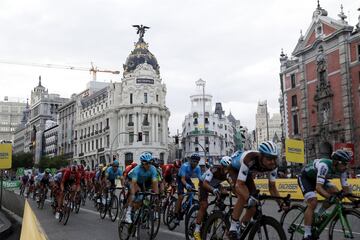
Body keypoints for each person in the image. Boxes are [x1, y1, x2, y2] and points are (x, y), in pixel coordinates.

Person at [229, 141, 287, 239]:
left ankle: (242, 227)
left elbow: (272, 187)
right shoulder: (250, 159)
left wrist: (281, 203)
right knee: (244, 196)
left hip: (248, 173)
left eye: (274, 158)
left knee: (253, 207)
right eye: (269, 158)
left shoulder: (273, 165)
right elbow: (239, 185)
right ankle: (233, 227)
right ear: (261, 156)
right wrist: (248, 198)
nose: (272, 162)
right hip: (234, 169)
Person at [298, 149, 354, 240]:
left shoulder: (342, 170)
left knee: (335, 191)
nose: (346, 166)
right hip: (306, 178)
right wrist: (330, 197)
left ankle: (319, 214)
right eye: (344, 164)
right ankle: (307, 233)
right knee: (313, 202)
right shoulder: (324, 166)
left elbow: (346, 190)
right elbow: (318, 188)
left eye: (347, 164)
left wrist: (355, 201)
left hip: (318, 178)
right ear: (336, 162)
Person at [193, 156, 233, 240]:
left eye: (228, 168)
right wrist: (213, 190)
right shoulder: (214, 170)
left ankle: (216, 215)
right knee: (204, 205)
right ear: (221, 166)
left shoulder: (228, 172)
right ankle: (196, 231)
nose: (226, 170)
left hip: (214, 185)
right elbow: (205, 184)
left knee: (224, 193)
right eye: (225, 168)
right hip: (204, 185)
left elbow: (232, 185)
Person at [124, 152, 159, 224]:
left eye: (150, 163)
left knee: (142, 197)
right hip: (131, 180)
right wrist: (136, 190)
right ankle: (128, 213)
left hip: (141, 181)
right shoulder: (137, 169)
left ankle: (136, 211)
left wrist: (156, 195)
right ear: (142, 163)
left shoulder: (153, 169)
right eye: (146, 163)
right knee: (134, 194)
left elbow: (155, 183)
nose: (148, 165)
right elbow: (134, 184)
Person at [174, 153, 202, 225]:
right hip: (181, 179)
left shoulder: (198, 168)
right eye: (193, 161)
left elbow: (200, 180)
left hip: (188, 178)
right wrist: (186, 185)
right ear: (190, 161)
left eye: (197, 162)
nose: (195, 163)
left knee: (192, 192)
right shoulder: (185, 166)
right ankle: (176, 214)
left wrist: (200, 188)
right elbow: (183, 180)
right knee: (180, 197)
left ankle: (186, 205)